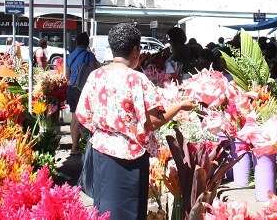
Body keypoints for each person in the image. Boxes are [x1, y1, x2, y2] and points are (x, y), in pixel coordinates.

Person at [76, 23, 194, 220]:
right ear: (135, 50)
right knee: (129, 210)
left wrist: (106, 131)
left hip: (101, 151)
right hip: (131, 156)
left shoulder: (95, 75)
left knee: (103, 209)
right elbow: (153, 122)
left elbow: (82, 115)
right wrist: (180, 106)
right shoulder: (136, 79)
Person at [66, 32, 97, 155]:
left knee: (74, 117)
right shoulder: (89, 56)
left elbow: (67, 75)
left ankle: (74, 145)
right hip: (81, 89)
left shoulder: (70, 56)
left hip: (71, 89)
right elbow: (95, 73)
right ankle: (75, 146)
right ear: (87, 42)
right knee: (80, 118)